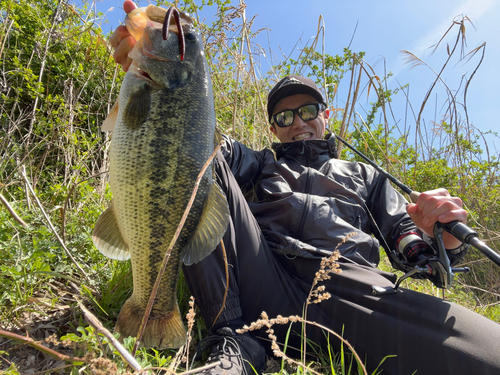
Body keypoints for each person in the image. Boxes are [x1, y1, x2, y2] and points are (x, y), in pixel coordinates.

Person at [110, 3, 500, 374]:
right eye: (284, 115)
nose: (298, 122)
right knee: (202, 165)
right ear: (273, 128)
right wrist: (162, 90)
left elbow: (416, 254)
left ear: (326, 117)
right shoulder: (261, 162)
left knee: (491, 353)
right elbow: (201, 145)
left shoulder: (367, 176)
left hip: (352, 293)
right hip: (264, 279)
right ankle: (233, 339)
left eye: (308, 111)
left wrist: (443, 238)